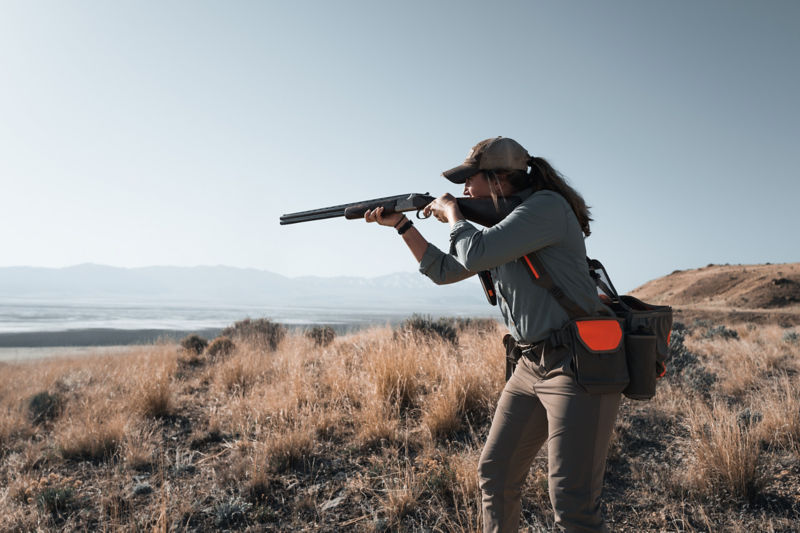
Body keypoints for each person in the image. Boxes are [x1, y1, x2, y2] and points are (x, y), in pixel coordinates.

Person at [364, 137, 621, 533]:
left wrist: (453, 213)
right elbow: (445, 271)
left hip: (578, 365)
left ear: (499, 180)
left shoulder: (546, 209)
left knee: (573, 505)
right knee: (496, 475)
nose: (465, 190)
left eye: (471, 180)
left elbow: (476, 253)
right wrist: (402, 225)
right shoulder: (503, 227)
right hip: (530, 365)